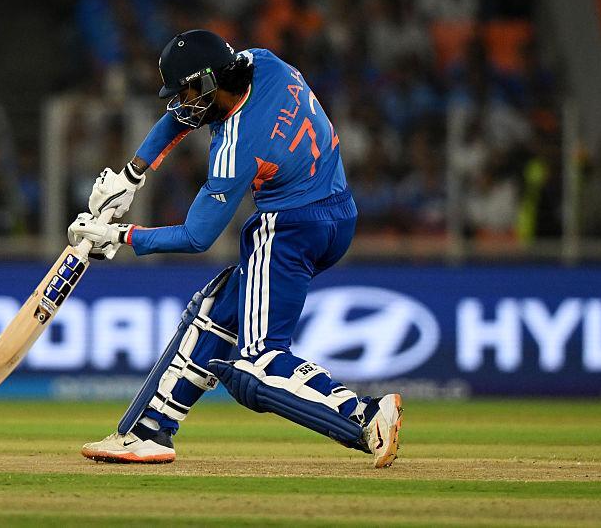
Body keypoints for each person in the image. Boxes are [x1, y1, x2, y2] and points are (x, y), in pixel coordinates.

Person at [67, 29, 403, 468]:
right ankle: (148, 432)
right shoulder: (262, 61)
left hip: (291, 227)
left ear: (208, 82)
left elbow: (196, 237)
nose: (181, 104)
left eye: (186, 92)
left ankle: (366, 416)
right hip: (337, 212)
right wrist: (131, 175)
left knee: (257, 366)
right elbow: (182, 119)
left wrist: (120, 235)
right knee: (216, 312)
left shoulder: (237, 145)